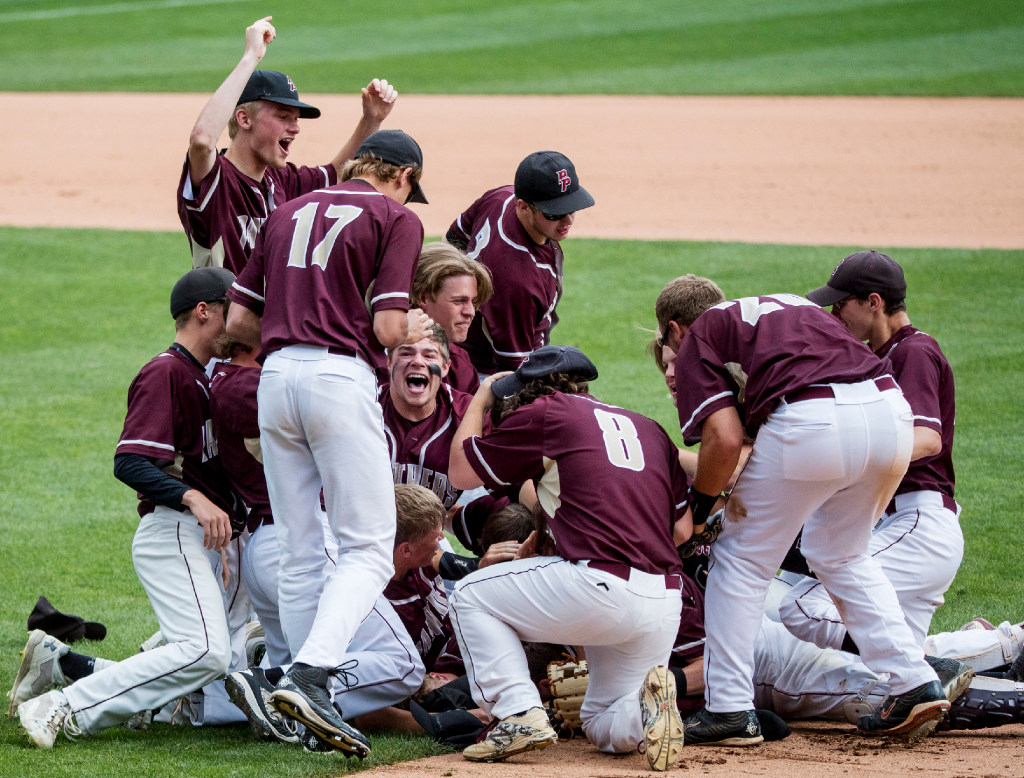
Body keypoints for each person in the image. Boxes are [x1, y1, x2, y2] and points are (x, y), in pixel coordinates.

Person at [656, 274, 948, 746]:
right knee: (841, 554)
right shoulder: (790, 307)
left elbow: (724, 439)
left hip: (814, 420)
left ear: (674, 329)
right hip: (891, 416)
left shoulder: (698, 336)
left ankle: (728, 709)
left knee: (739, 560)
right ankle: (914, 680)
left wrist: (701, 510)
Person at [225, 128, 430, 757]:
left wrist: (303, 316)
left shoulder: (287, 211)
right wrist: (411, 326)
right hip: (339, 380)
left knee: (300, 549)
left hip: (275, 378)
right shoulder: (395, 216)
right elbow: (390, 326)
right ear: (402, 175)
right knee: (368, 549)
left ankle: (291, 691)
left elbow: (239, 321)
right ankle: (311, 678)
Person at [15, 268, 241, 748]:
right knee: (206, 652)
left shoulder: (201, 377)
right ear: (204, 311)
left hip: (197, 540)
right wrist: (194, 498)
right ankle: (63, 706)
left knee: (203, 666)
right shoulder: (166, 372)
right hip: (172, 532)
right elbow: (130, 462)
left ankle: (61, 664)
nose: (239, 320)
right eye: (231, 309)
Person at [447, 345, 693, 770]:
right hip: (665, 599)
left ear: (528, 392)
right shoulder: (647, 426)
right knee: (600, 721)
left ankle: (517, 712)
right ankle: (647, 705)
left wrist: (481, 397)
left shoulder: (547, 411)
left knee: (469, 595)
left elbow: (460, 472)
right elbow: (682, 530)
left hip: (599, 587)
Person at [778, 250, 962, 650]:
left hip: (916, 526)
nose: (833, 314)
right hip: (901, 526)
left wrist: (845, 456)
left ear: (873, 302)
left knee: (803, 604)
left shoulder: (913, 351)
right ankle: (999, 650)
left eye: (840, 304)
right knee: (893, 676)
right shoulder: (878, 358)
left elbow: (927, 438)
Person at [178, 15, 398, 274]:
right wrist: (251, 57)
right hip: (222, 302)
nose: (295, 128)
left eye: (295, 119)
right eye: (283, 117)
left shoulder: (280, 180)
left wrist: (371, 120)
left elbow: (339, 175)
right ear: (244, 119)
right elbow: (202, 140)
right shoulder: (217, 181)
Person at [445, 151, 594, 375]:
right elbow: (516, 371)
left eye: (571, 207)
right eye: (555, 213)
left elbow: (453, 238)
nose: (568, 220)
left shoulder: (501, 198)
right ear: (523, 207)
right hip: (483, 369)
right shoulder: (517, 280)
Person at [411, 242, 494, 394]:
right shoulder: (383, 358)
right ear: (423, 298)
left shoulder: (459, 363)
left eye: (473, 302)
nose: (471, 312)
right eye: (458, 301)